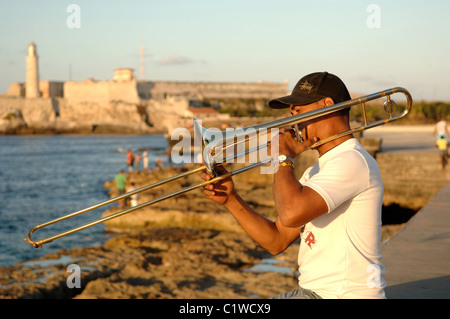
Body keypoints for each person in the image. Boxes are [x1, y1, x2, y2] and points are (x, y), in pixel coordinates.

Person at [201, 72, 386, 299]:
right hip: (314, 293)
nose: (292, 119)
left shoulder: (352, 161)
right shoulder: (317, 170)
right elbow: (277, 240)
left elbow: (290, 214)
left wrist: (283, 158)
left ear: (328, 105)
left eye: (298, 110)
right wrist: (231, 199)